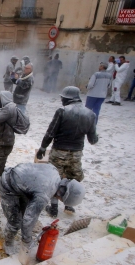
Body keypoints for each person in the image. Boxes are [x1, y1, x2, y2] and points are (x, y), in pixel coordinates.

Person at [0, 163, 85, 265]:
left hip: (22, 185)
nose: (59, 200)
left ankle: (19, 232)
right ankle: (8, 243)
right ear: (62, 196)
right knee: (15, 221)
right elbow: (29, 219)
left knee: (25, 211)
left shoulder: (55, 172)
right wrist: (27, 240)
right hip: (7, 185)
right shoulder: (43, 195)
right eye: (61, 200)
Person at [36, 86, 98, 216]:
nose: (61, 100)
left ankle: (53, 207)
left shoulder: (62, 111)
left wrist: (43, 148)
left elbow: (50, 133)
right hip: (76, 153)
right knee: (73, 177)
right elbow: (92, 139)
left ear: (67, 98)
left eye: (62, 98)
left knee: (55, 177)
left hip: (59, 150)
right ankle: (69, 204)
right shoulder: (90, 114)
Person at [0, 91, 28, 186]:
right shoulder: (10, 107)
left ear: (3, 98)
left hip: (4, 142)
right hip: (5, 141)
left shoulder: (8, 109)